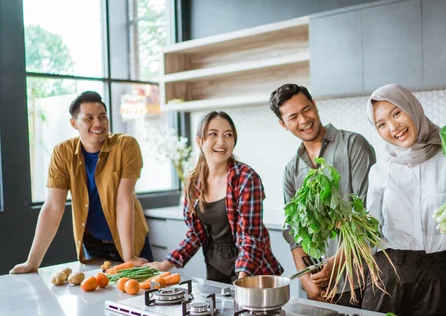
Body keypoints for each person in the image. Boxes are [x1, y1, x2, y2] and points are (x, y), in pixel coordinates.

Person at [362, 84, 446, 316]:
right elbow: (370, 233)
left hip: (437, 276)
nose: (393, 127)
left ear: (412, 108)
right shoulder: (379, 170)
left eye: (396, 113)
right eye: (381, 124)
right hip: (389, 275)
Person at [10, 91, 152, 274]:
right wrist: (32, 263)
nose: (98, 124)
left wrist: (129, 256)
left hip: (132, 243)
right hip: (93, 247)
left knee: (139, 297)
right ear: (74, 123)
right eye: (89, 118)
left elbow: (124, 199)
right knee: (94, 299)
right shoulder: (62, 153)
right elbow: (53, 206)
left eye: (102, 117)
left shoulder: (125, 145)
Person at [269, 83, 376, 306]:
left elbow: (368, 214)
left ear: (315, 106)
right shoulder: (292, 169)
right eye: (293, 116)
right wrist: (306, 281)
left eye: (306, 109)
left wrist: (337, 263)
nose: (303, 120)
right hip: (318, 289)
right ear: (283, 124)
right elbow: (293, 232)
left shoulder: (353, 146)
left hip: (359, 282)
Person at [144, 111, 283, 282]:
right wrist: (164, 265)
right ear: (200, 141)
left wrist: (242, 281)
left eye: (228, 135)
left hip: (252, 271)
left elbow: (250, 236)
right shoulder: (194, 182)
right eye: (213, 134)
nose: (221, 142)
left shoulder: (246, 178)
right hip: (215, 267)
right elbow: (196, 234)